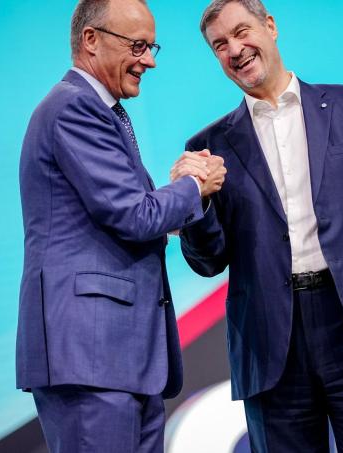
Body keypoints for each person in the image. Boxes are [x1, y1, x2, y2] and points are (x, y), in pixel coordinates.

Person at [180, 1, 343, 451]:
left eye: (242, 32)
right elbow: (208, 261)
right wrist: (195, 202)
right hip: (270, 343)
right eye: (220, 45)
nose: (235, 50)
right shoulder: (208, 147)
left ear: (271, 26)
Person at [16, 0, 225, 451]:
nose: (148, 60)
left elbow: (135, 213)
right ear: (91, 40)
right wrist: (194, 185)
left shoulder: (103, 112)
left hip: (122, 360)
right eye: (137, 45)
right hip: (92, 356)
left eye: (152, 47)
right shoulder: (74, 108)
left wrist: (179, 192)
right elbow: (135, 216)